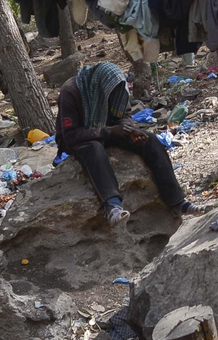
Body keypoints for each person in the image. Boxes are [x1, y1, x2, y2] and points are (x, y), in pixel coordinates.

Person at [56, 62, 195, 226]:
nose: (115, 96)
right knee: (94, 148)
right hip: (79, 136)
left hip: (109, 129)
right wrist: (109, 131)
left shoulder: (116, 87)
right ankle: (112, 205)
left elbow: (123, 113)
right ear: (100, 88)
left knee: (149, 139)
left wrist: (129, 129)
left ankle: (177, 201)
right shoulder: (70, 91)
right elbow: (71, 135)